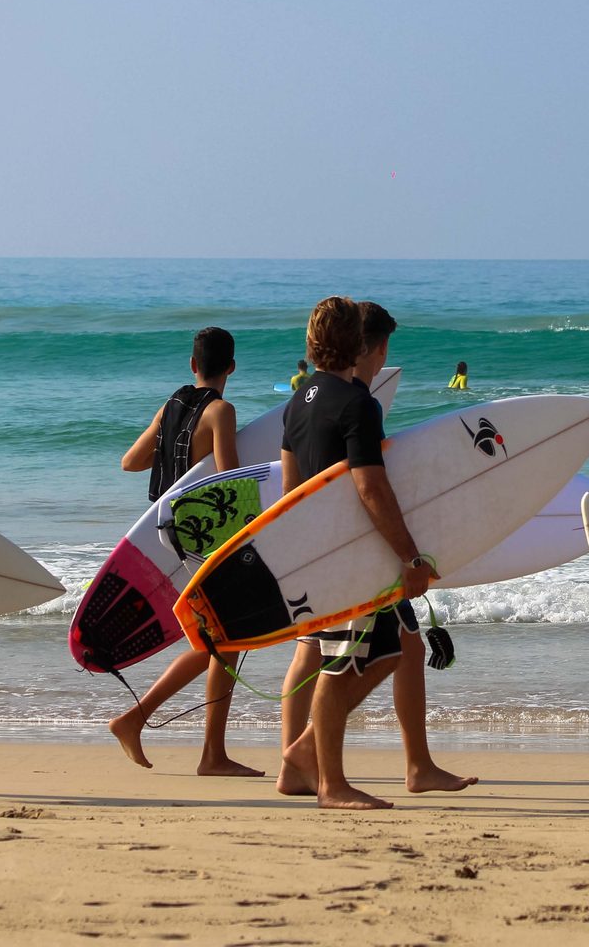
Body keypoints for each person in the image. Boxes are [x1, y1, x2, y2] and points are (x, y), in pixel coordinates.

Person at [276, 302, 476, 803]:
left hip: (325, 553)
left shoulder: (298, 403)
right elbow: (370, 488)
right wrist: (410, 558)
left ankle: (307, 757)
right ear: (362, 345)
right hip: (350, 558)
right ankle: (329, 782)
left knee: (388, 651)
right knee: (341, 665)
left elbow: (289, 490)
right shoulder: (357, 403)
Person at [110, 328, 260, 777]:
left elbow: (130, 462)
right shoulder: (221, 411)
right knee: (221, 640)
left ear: (192, 365)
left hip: (166, 536)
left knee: (224, 642)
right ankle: (140, 720)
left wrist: (173, 449)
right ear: (231, 367)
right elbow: (229, 483)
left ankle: (210, 752)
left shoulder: (171, 404)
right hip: (205, 540)